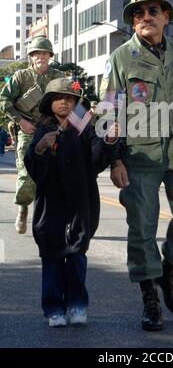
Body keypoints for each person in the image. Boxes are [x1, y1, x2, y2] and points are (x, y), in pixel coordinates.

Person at [100, 0, 173, 331]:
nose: (145, 17)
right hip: (139, 155)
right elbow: (107, 111)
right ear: (133, 21)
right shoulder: (121, 58)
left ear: (166, 16)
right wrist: (114, 160)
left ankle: (169, 266)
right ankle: (150, 297)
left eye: (153, 10)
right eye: (138, 13)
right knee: (142, 228)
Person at [24, 78, 119, 327]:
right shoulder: (43, 128)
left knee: (77, 254)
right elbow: (34, 169)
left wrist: (108, 141)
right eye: (58, 97)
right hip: (50, 204)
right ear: (49, 102)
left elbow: (96, 161)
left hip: (81, 200)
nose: (65, 102)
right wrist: (41, 150)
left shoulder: (85, 127)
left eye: (70, 98)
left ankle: (77, 305)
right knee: (52, 255)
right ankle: (54, 308)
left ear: (77, 102)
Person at [0, 36, 64, 234]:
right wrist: (21, 121)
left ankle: (51, 218)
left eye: (45, 54)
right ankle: (23, 207)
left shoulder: (59, 77)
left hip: (53, 129)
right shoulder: (21, 77)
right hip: (28, 130)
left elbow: (71, 100)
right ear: (31, 56)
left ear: (50, 56)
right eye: (37, 54)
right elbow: (4, 99)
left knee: (56, 175)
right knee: (27, 175)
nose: (41, 57)